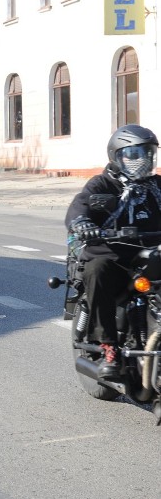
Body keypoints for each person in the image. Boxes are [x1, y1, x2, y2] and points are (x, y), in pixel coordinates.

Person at [65, 124, 161, 378]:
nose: (141, 160)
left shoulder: (157, 186)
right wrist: (83, 223)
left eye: (147, 153)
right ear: (117, 156)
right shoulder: (102, 184)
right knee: (98, 269)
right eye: (133, 154)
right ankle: (108, 346)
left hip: (151, 255)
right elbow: (80, 206)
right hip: (113, 256)